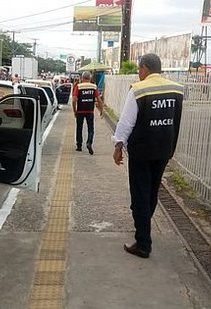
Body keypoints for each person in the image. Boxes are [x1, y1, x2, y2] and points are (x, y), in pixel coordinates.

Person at [112, 53, 184, 258]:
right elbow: (176, 119)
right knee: (152, 191)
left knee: (140, 195)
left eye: (139, 69)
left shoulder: (138, 90)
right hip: (164, 149)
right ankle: (144, 227)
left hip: (142, 151)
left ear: (145, 68)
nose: (138, 73)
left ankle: (143, 242)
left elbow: (126, 123)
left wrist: (118, 146)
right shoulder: (176, 90)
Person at [72, 71, 104, 155]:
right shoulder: (94, 87)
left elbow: (74, 100)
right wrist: (101, 110)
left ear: (82, 78)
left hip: (80, 111)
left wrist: (75, 111)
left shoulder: (78, 86)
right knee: (91, 129)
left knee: (79, 128)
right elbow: (99, 100)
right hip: (90, 111)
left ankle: (79, 146)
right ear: (90, 78)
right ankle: (89, 143)